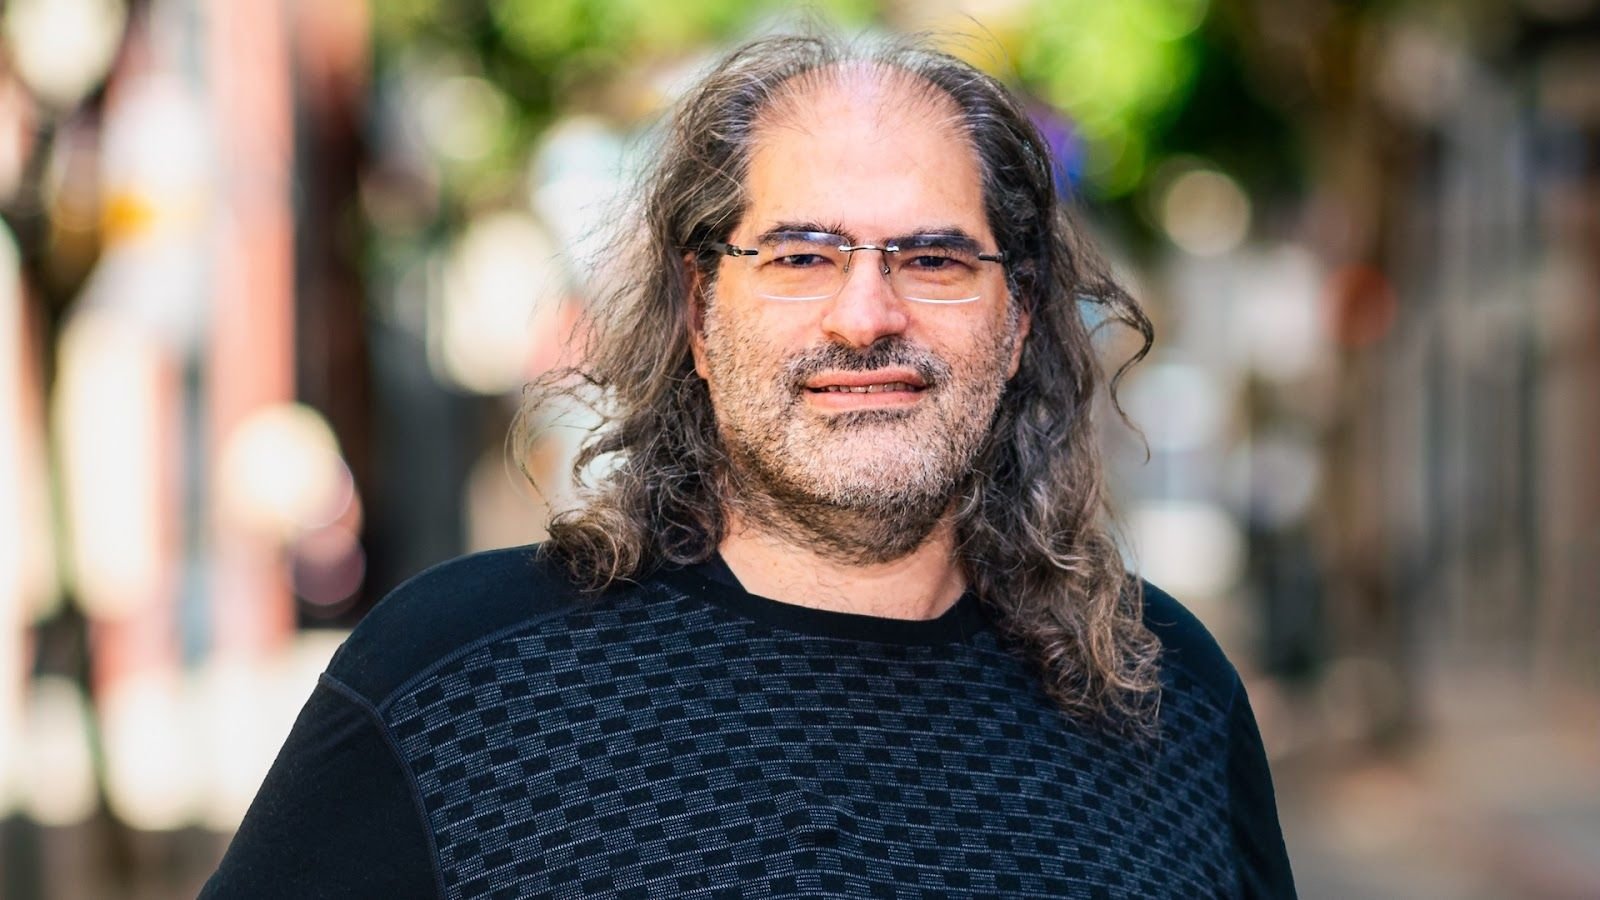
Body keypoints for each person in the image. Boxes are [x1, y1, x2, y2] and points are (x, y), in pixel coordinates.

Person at [203, 33, 1296, 899]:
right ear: (698, 312)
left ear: (1015, 323)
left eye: (932, 258)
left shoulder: (1164, 694)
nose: (865, 315)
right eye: (800, 256)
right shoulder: (448, 686)